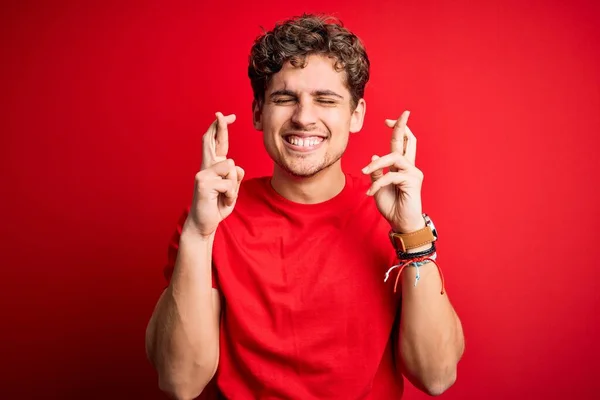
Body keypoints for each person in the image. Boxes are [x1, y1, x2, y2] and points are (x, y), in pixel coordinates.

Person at [145, 13, 464, 400]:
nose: (304, 117)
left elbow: (436, 375)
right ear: (258, 112)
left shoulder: (395, 219)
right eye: (284, 98)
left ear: (356, 115)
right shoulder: (213, 217)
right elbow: (180, 381)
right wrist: (198, 234)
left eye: (326, 100)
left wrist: (412, 232)